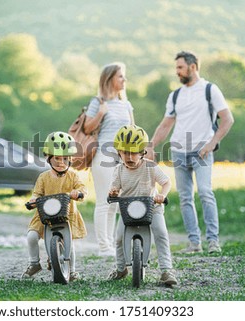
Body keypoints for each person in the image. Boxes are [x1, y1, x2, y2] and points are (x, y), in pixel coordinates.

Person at [149, 51, 234, 254]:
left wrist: (212, 143)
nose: (177, 72)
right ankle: (194, 243)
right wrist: (151, 145)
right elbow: (166, 125)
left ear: (193, 67)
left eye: (180, 67)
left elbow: (227, 119)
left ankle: (213, 241)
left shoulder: (210, 90)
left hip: (202, 152)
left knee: (205, 193)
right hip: (178, 151)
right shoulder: (175, 95)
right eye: (176, 68)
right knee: (185, 198)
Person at [107, 125, 178, 285]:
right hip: (127, 209)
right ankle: (120, 268)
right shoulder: (118, 170)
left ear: (142, 152)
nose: (129, 156)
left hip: (152, 207)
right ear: (119, 152)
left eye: (133, 152)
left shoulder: (150, 166)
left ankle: (167, 270)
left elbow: (166, 182)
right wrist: (113, 193)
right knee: (118, 238)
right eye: (125, 152)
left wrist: (161, 195)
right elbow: (115, 188)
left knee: (161, 233)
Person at [83, 62, 135, 257]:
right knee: (104, 201)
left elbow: (133, 130)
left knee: (115, 202)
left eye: (124, 76)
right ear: (109, 78)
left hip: (123, 157)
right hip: (103, 155)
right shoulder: (98, 102)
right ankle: (104, 247)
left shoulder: (126, 104)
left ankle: (111, 245)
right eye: (120, 76)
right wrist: (101, 113)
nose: (124, 80)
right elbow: (87, 128)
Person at [21, 131, 87, 280]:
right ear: (48, 158)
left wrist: (78, 192)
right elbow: (37, 193)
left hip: (66, 213)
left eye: (65, 158)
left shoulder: (73, 175)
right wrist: (33, 200)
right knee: (32, 236)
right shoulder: (43, 177)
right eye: (57, 158)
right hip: (44, 214)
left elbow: (82, 187)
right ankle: (34, 263)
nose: (61, 162)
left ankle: (72, 271)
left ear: (70, 159)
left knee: (69, 244)